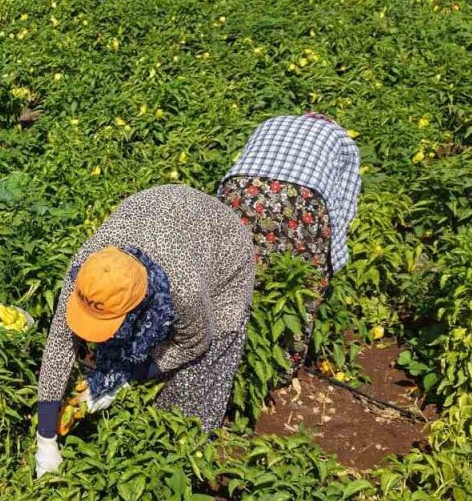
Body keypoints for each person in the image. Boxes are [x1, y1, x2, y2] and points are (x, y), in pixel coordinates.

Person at [33, 185, 255, 477]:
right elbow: (60, 346)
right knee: (118, 347)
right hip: (162, 214)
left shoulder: (184, 289)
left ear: (138, 303)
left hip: (222, 251)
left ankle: (180, 470)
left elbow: (194, 343)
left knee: (193, 387)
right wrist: (45, 438)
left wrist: (130, 376)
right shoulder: (88, 269)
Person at [217, 112, 361, 378]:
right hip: (300, 198)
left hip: (241, 188)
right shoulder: (342, 140)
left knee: (231, 270)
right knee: (304, 282)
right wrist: (334, 254)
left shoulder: (272, 122)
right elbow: (343, 203)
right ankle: (281, 367)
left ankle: (217, 352)